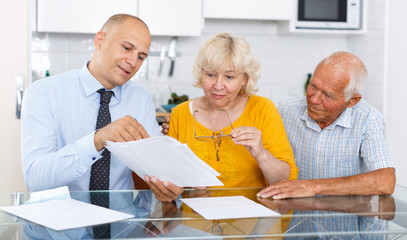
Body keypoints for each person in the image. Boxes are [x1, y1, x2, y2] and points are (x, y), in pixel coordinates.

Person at [21, 14, 182, 199]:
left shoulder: (140, 97)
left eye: (141, 57)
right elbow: (35, 178)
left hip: (122, 222)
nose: (133, 62)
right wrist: (97, 140)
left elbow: (155, 164)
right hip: (62, 220)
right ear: (100, 40)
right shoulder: (42, 93)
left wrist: (168, 172)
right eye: (127, 48)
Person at [150, 33, 298, 201]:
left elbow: (284, 182)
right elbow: (168, 181)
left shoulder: (263, 109)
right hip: (193, 221)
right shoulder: (180, 113)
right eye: (211, 75)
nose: (218, 86)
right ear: (201, 73)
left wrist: (261, 153)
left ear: (244, 79)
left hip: (250, 221)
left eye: (229, 77)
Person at [257, 51, 396, 199]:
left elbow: (386, 181)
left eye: (328, 95)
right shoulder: (286, 111)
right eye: (313, 86)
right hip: (294, 214)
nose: (314, 99)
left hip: (345, 216)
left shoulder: (367, 118)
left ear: (352, 101)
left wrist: (313, 186)